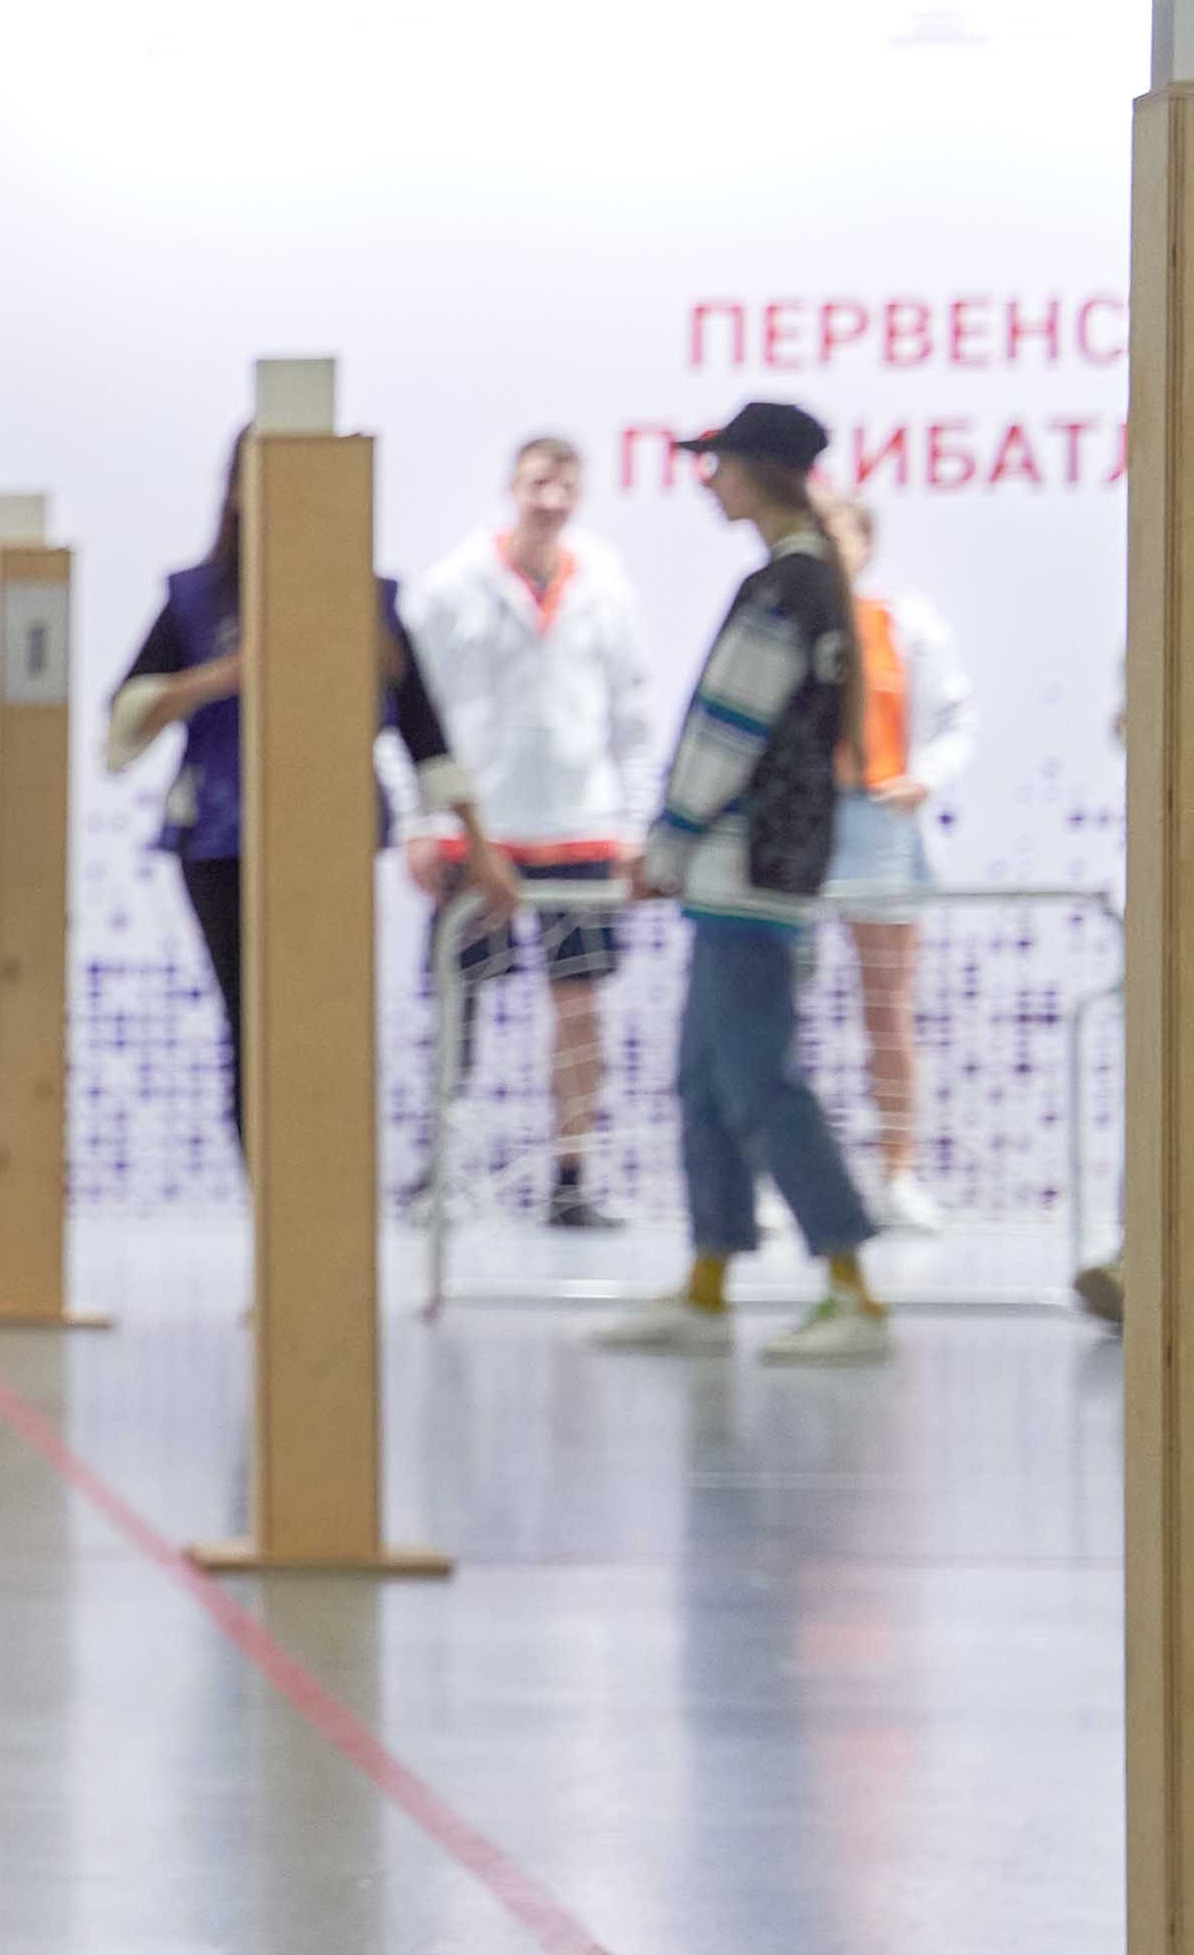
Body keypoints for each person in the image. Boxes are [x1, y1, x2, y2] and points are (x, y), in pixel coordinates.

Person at [102, 426, 505, 1151]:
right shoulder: (197, 598)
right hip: (221, 840)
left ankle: (328, 1199)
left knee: (329, 1026)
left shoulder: (369, 603)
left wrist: (481, 845)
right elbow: (124, 724)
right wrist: (226, 675)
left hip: (331, 839)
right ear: (235, 492)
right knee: (253, 1026)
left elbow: (424, 733)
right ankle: (271, 1201)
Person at [604, 401, 888, 1363]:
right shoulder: (815, 582)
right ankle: (708, 1281)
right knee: (703, 1079)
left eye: (717, 462)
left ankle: (851, 1286)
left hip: (743, 871)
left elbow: (728, 728)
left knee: (761, 1081)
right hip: (756, 871)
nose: (707, 479)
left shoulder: (783, 585)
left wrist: (668, 842)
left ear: (754, 469)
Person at [399, 436, 648, 1228]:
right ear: (512, 486)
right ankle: (441, 1172)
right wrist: (417, 820)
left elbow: (631, 711)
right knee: (459, 1003)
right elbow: (406, 709)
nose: (551, 499)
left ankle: (571, 1178)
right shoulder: (453, 586)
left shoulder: (605, 582)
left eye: (566, 485)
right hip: (480, 831)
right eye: (539, 482)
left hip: (581, 827)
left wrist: (633, 821)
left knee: (580, 1010)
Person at [816, 484, 969, 1231]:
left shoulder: (906, 622)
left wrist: (925, 777)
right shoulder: (785, 616)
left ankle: (898, 1170)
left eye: (843, 535)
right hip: (805, 828)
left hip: (880, 824)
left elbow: (954, 719)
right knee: (776, 1009)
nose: (831, 547)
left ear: (866, 545)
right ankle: (776, 1175)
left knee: (887, 1007)